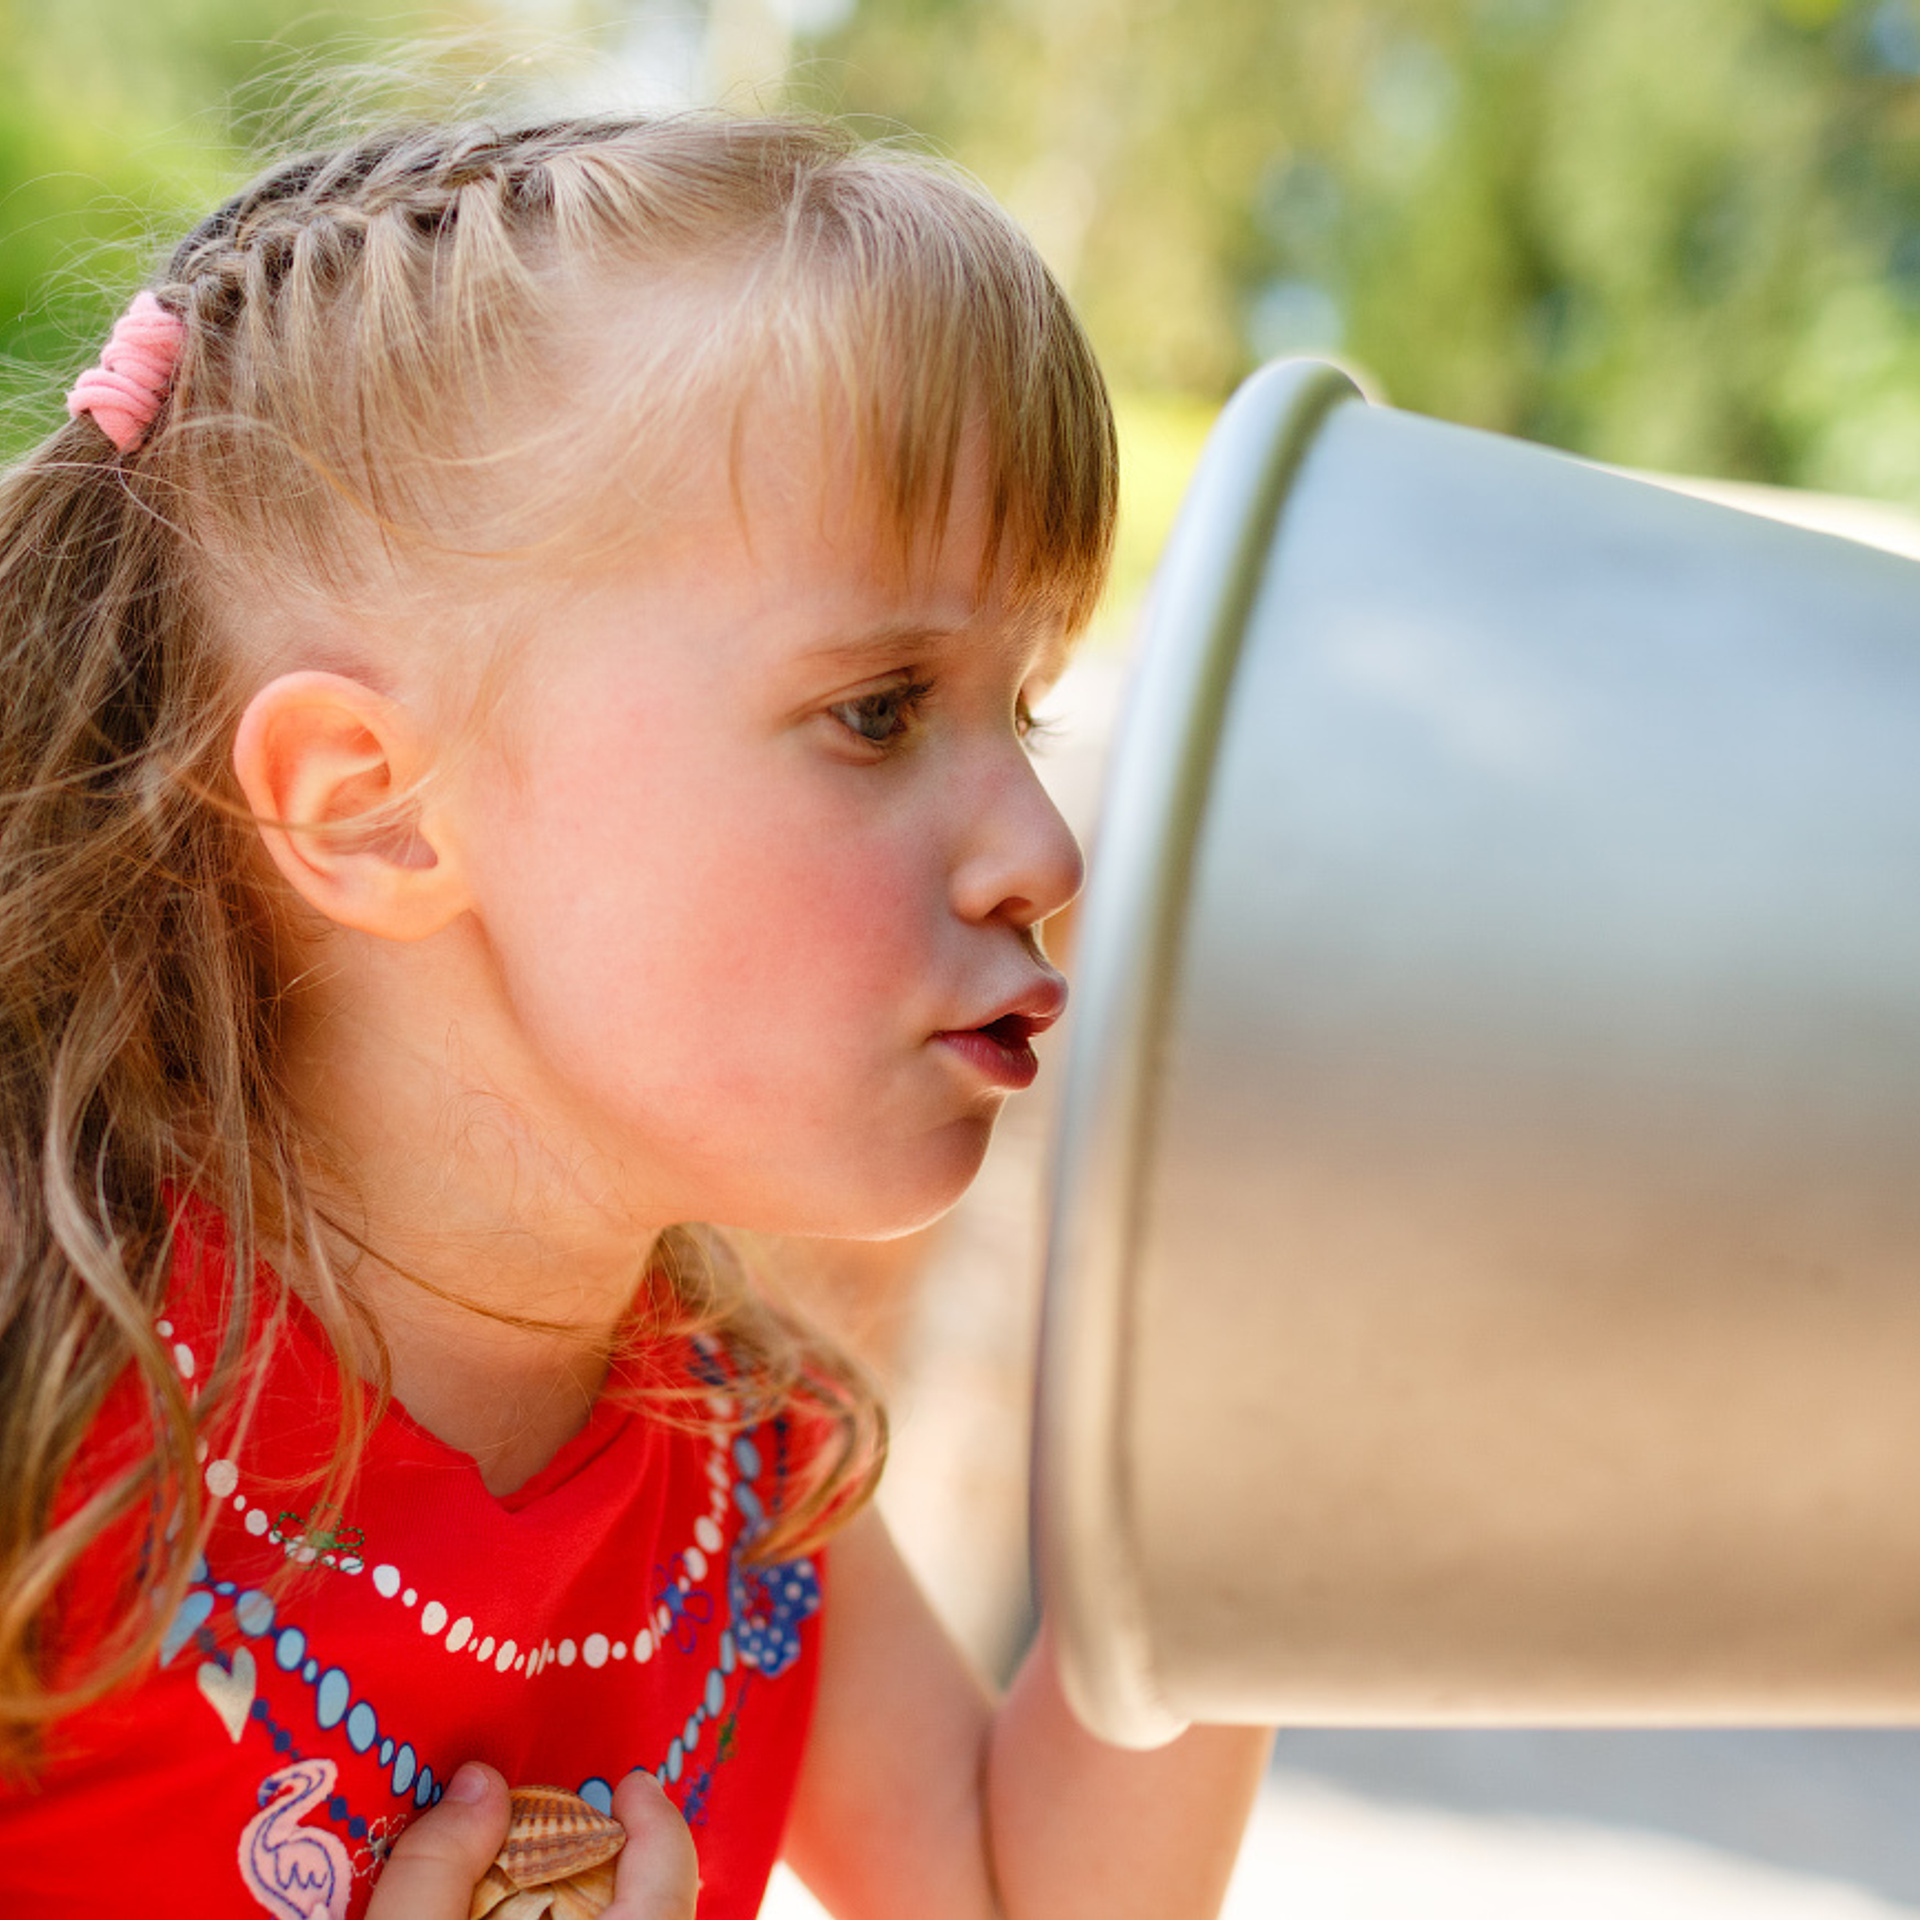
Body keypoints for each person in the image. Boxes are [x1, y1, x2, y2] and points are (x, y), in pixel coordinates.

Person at [0, 111, 1271, 1918]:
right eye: (880, 710)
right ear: (373, 806)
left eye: (1027, 714)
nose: (1043, 851)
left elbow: (1020, 1894)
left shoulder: (737, 1456)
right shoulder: (49, 1408)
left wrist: (1252, 1408)